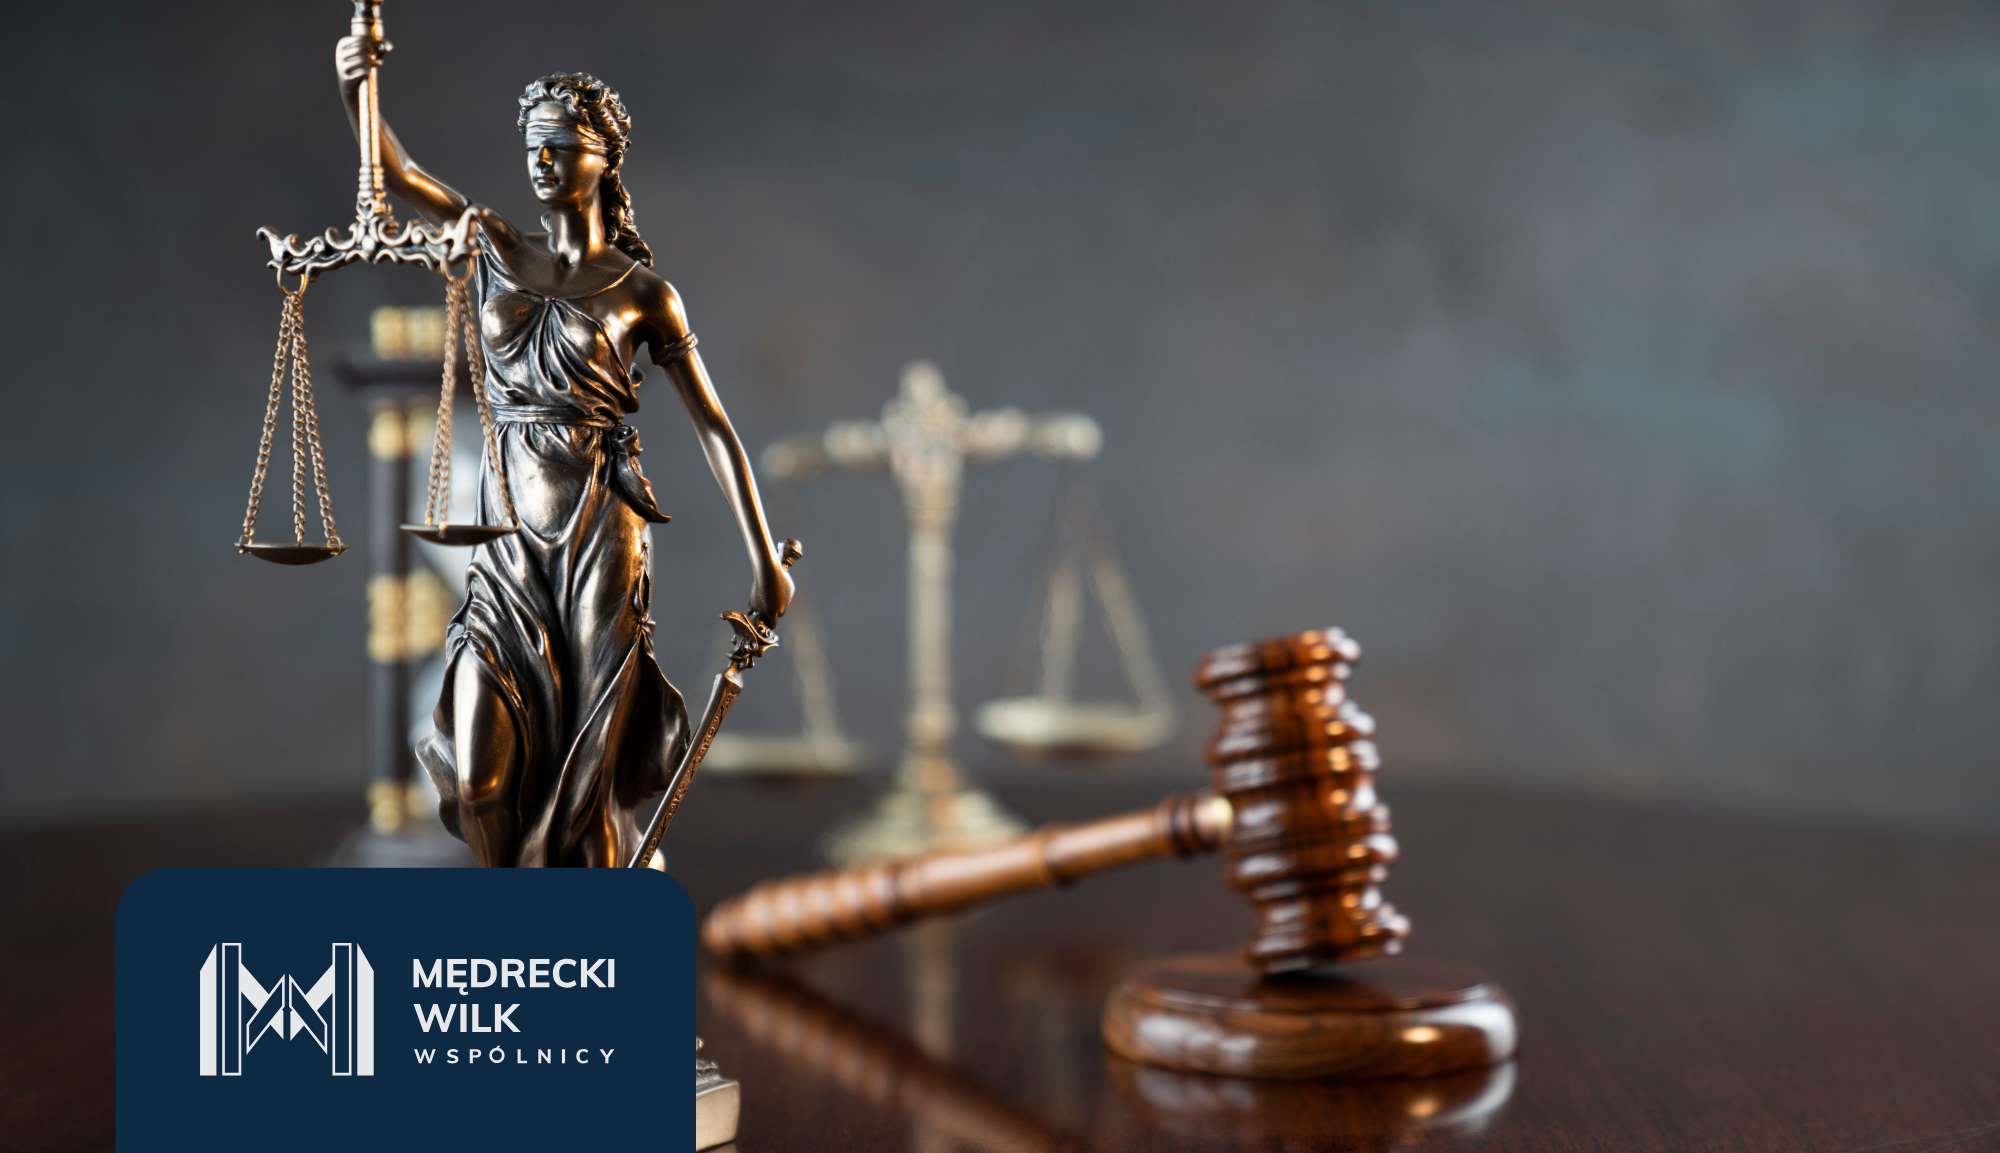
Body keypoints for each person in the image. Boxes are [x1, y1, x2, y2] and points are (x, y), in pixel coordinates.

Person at [335, 38, 794, 866]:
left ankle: (571, 920)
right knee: (479, 780)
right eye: (532, 146)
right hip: (504, 542)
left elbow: (715, 426)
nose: (542, 161)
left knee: (590, 769)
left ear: (605, 157)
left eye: (560, 145)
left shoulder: (643, 292)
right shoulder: (494, 245)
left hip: (599, 533)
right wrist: (356, 86)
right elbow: (397, 174)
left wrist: (764, 559)